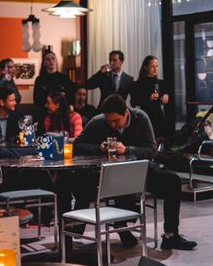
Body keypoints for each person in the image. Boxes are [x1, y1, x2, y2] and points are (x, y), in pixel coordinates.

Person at [74, 95, 196, 250]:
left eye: (116, 121)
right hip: (109, 175)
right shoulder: (98, 121)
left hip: (139, 171)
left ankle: (171, 236)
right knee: (85, 182)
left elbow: (151, 150)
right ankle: (119, 227)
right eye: (109, 122)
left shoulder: (141, 118)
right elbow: (77, 145)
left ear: (126, 112)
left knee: (172, 181)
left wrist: (127, 150)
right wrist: (99, 148)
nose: (112, 125)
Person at [129, 55, 171, 141]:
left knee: (160, 142)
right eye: (152, 66)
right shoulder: (136, 84)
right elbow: (133, 103)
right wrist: (148, 98)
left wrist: (166, 96)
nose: (155, 69)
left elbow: (167, 101)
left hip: (158, 117)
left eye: (157, 66)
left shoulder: (161, 83)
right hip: (144, 117)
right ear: (145, 67)